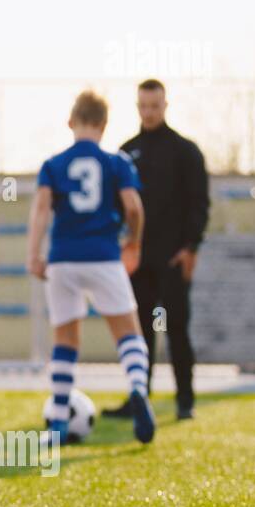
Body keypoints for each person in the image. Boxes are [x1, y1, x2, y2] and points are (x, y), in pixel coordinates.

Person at [27, 90, 156, 445]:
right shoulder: (118, 163)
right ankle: (137, 389)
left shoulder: (53, 165)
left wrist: (33, 254)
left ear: (71, 122)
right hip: (103, 255)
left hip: (64, 258)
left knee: (65, 340)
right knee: (129, 334)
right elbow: (133, 208)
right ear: (104, 124)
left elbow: (40, 211)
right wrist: (133, 243)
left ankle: (56, 422)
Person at [105, 78, 209, 421]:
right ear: (138, 107)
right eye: (143, 106)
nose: (149, 112)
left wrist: (190, 247)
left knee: (177, 328)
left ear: (165, 106)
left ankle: (185, 401)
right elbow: (118, 207)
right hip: (137, 260)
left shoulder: (185, 150)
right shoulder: (125, 151)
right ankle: (140, 399)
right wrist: (122, 246)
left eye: (155, 106)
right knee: (140, 331)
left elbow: (199, 203)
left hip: (173, 258)